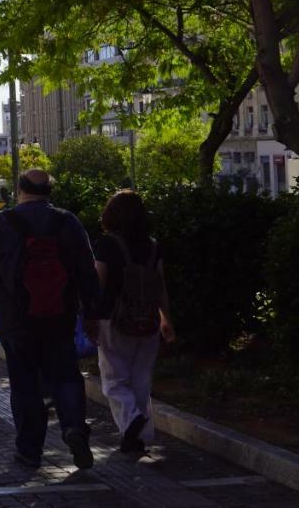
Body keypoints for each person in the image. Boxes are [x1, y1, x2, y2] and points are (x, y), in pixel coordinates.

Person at [0, 169, 101, 471]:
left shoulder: (2, 223)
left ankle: (29, 451)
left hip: (16, 321)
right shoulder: (69, 223)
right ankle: (75, 427)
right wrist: (92, 313)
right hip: (60, 317)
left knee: (24, 384)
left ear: (19, 189)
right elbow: (87, 274)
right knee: (66, 375)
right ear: (50, 192)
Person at [90, 189, 175, 455]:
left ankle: (131, 420)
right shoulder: (152, 245)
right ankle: (138, 435)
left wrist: (88, 315)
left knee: (114, 380)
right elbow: (160, 285)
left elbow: (98, 283)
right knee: (141, 378)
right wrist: (166, 319)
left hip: (112, 321)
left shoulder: (106, 244)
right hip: (147, 319)